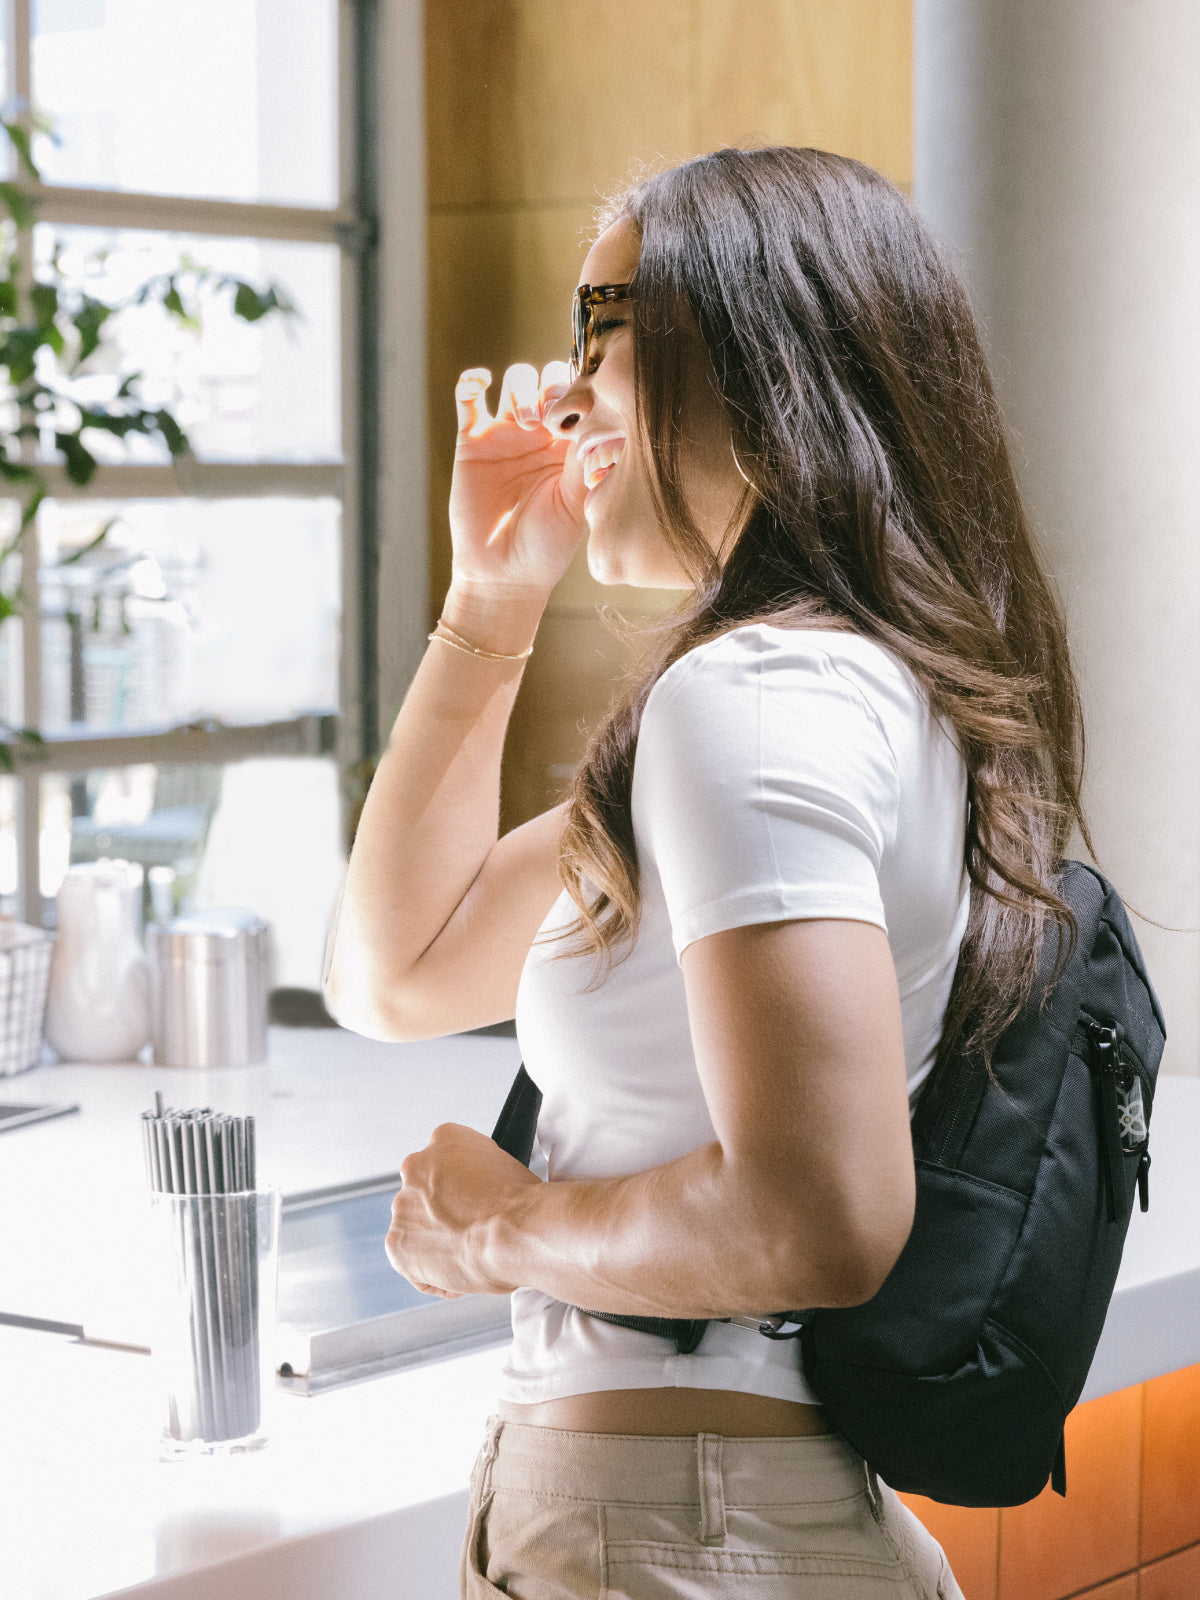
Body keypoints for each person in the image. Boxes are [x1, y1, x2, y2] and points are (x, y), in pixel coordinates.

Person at [324, 145, 1095, 1599]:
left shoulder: (745, 705)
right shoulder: (851, 687)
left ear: (756, 361)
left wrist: (502, 1230)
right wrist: (491, 603)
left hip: (676, 1537)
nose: (564, 396)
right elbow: (400, 970)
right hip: (724, 1523)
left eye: (604, 332)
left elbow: (818, 1216)